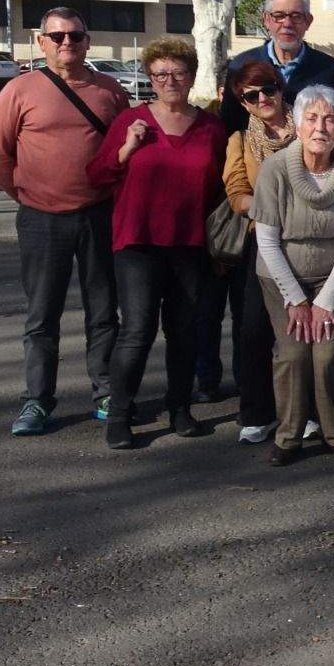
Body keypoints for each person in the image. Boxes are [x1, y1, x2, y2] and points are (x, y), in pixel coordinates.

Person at [0, 7, 128, 436]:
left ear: (87, 40)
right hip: (42, 221)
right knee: (42, 316)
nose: (67, 43)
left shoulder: (109, 90)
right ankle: (37, 401)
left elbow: (124, 150)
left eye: (76, 36)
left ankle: (105, 391)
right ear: (41, 41)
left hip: (99, 216)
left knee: (103, 311)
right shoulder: (20, 90)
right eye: (57, 36)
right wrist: (28, 195)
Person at [86, 39, 227, 449]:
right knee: (137, 331)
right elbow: (95, 175)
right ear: (149, 78)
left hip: (190, 245)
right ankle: (120, 414)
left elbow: (220, 186)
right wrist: (126, 150)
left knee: (184, 332)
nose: (169, 81)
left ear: (191, 76)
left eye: (178, 73)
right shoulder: (132, 121)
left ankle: (180, 408)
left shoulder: (210, 127)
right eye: (160, 74)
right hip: (138, 243)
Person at [250, 86, 334, 464]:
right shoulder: (275, 168)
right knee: (291, 355)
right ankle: (288, 436)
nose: (321, 127)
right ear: (299, 125)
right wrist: (297, 300)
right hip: (280, 276)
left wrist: (324, 300)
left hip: (331, 277)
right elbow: (266, 240)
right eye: (312, 118)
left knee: (327, 354)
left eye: (331, 118)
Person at [221, 59, 296, 444]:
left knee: (305, 332)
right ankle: (257, 411)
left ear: (280, 88)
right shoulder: (240, 140)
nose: (263, 98)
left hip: (307, 240)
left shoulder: (310, 126)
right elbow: (237, 195)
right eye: (252, 95)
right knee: (254, 328)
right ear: (244, 103)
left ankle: (304, 411)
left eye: (269, 89)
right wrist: (276, 208)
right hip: (261, 240)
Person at [220, 0, 334, 137]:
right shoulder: (241, 66)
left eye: (296, 16)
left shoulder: (329, 69)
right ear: (266, 19)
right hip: (254, 157)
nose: (287, 24)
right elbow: (229, 124)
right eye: (279, 16)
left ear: (308, 21)